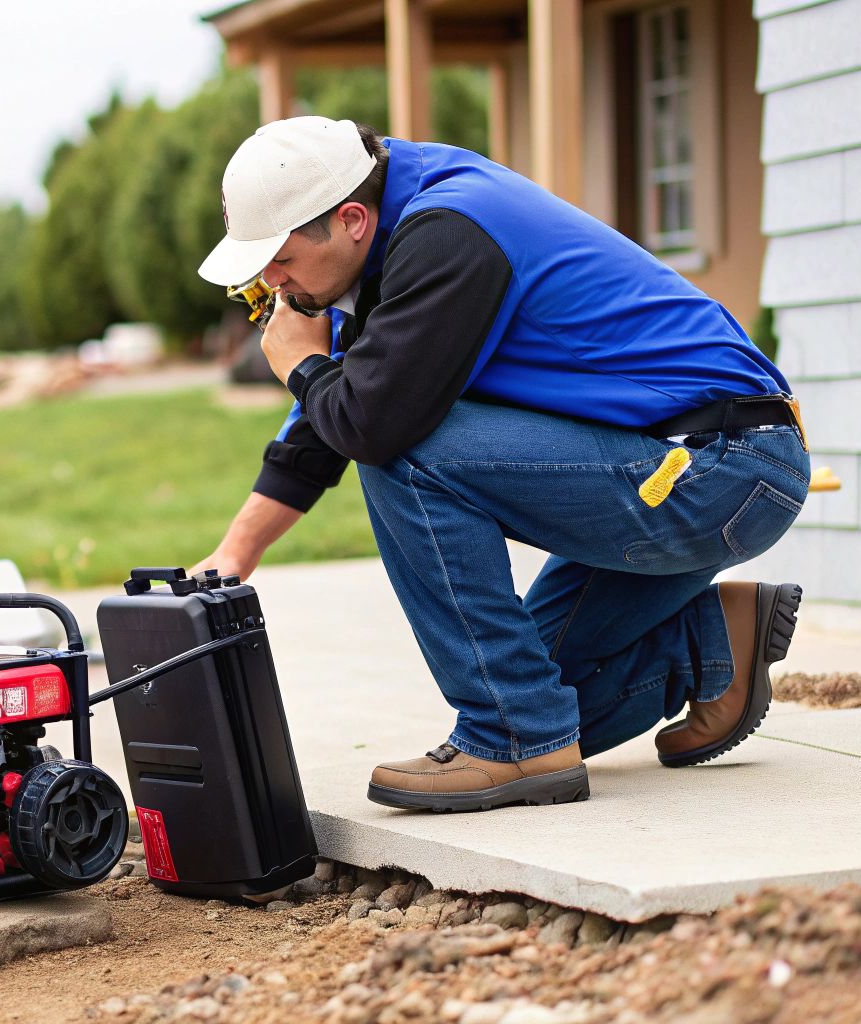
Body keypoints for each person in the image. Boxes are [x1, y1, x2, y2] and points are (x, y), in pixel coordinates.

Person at [191, 116, 809, 813]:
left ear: (352, 219)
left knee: (401, 450)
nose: (272, 281)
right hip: (680, 468)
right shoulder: (382, 244)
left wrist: (302, 364)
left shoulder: (449, 234)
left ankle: (513, 741)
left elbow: (371, 424)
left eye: (279, 258)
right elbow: (328, 425)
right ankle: (708, 645)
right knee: (541, 688)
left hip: (715, 468)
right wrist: (232, 556)